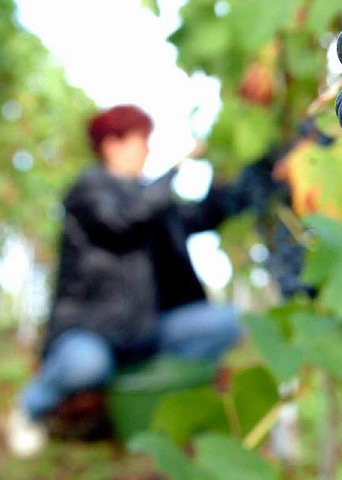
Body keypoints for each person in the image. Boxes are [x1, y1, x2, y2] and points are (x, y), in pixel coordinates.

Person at [6, 104, 249, 456]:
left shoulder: (149, 197)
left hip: (147, 329)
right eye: (140, 139)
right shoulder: (88, 191)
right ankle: (29, 407)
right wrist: (176, 169)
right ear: (111, 145)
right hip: (92, 330)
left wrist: (230, 180)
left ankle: (151, 398)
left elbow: (197, 217)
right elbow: (122, 220)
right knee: (85, 365)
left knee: (230, 322)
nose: (147, 148)